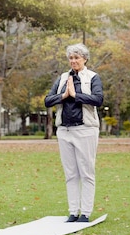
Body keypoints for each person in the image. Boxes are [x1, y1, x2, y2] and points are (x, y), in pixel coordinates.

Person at [44, 43, 104, 223]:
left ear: (85, 59)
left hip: (85, 130)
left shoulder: (93, 77)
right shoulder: (62, 78)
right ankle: (73, 211)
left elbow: (98, 99)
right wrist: (64, 95)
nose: (73, 61)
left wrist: (75, 94)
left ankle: (85, 213)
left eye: (77, 57)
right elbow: (48, 100)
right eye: (71, 58)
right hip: (64, 130)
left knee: (86, 172)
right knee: (70, 173)